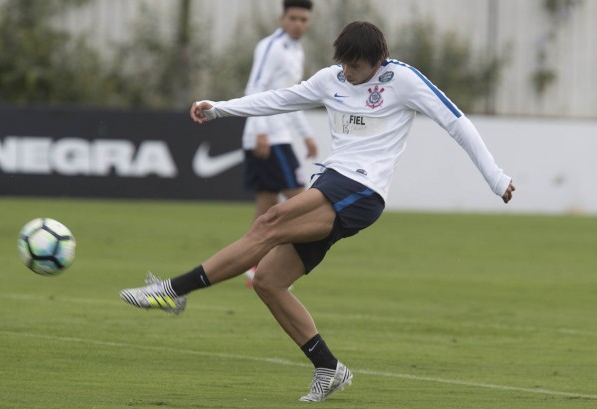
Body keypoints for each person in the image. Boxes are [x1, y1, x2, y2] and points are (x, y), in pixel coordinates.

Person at [120, 21, 515, 402]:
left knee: (270, 221)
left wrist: (496, 178)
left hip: (363, 189)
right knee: (269, 282)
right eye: (343, 63)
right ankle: (329, 368)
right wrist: (219, 109)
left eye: (356, 66)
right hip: (332, 180)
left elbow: (457, 123)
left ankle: (175, 290)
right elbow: (278, 98)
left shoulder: (404, 81)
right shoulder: (331, 79)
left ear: (379, 60)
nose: (348, 72)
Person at [241, 0, 318, 287]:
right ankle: (281, 268)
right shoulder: (271, 46)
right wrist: (260, 129)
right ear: (282, 18)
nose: (299, 24)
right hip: (269, 139)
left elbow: (292, 99)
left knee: (265, 207)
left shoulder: (296, 50)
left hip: (278, 135)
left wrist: (306, 133)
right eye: (294, 18)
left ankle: (252, 268)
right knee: (304, 203)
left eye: (304, 19)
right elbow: (255, 88)